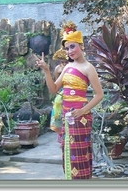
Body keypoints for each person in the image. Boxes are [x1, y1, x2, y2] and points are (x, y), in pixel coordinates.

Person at [33, 22, 104, 179]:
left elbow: (99, 95)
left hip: (81, 117)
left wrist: (83, 110)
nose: (69, 51)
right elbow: (53, 89)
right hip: (67, 117)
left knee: (81, 154)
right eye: (67, 48)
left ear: (81, 45)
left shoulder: (88, 68)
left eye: (72, 47)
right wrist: (46, 70)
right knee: (68, 154)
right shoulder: (66, 67)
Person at [50, 48, 69, 143]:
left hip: (71, 91)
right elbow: (56, 82)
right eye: (62, 62)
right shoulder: (58, 68)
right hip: (62, 91)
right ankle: (60, 135)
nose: (65, 64)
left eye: (66, 61)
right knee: (58, 112)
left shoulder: (73, 67)